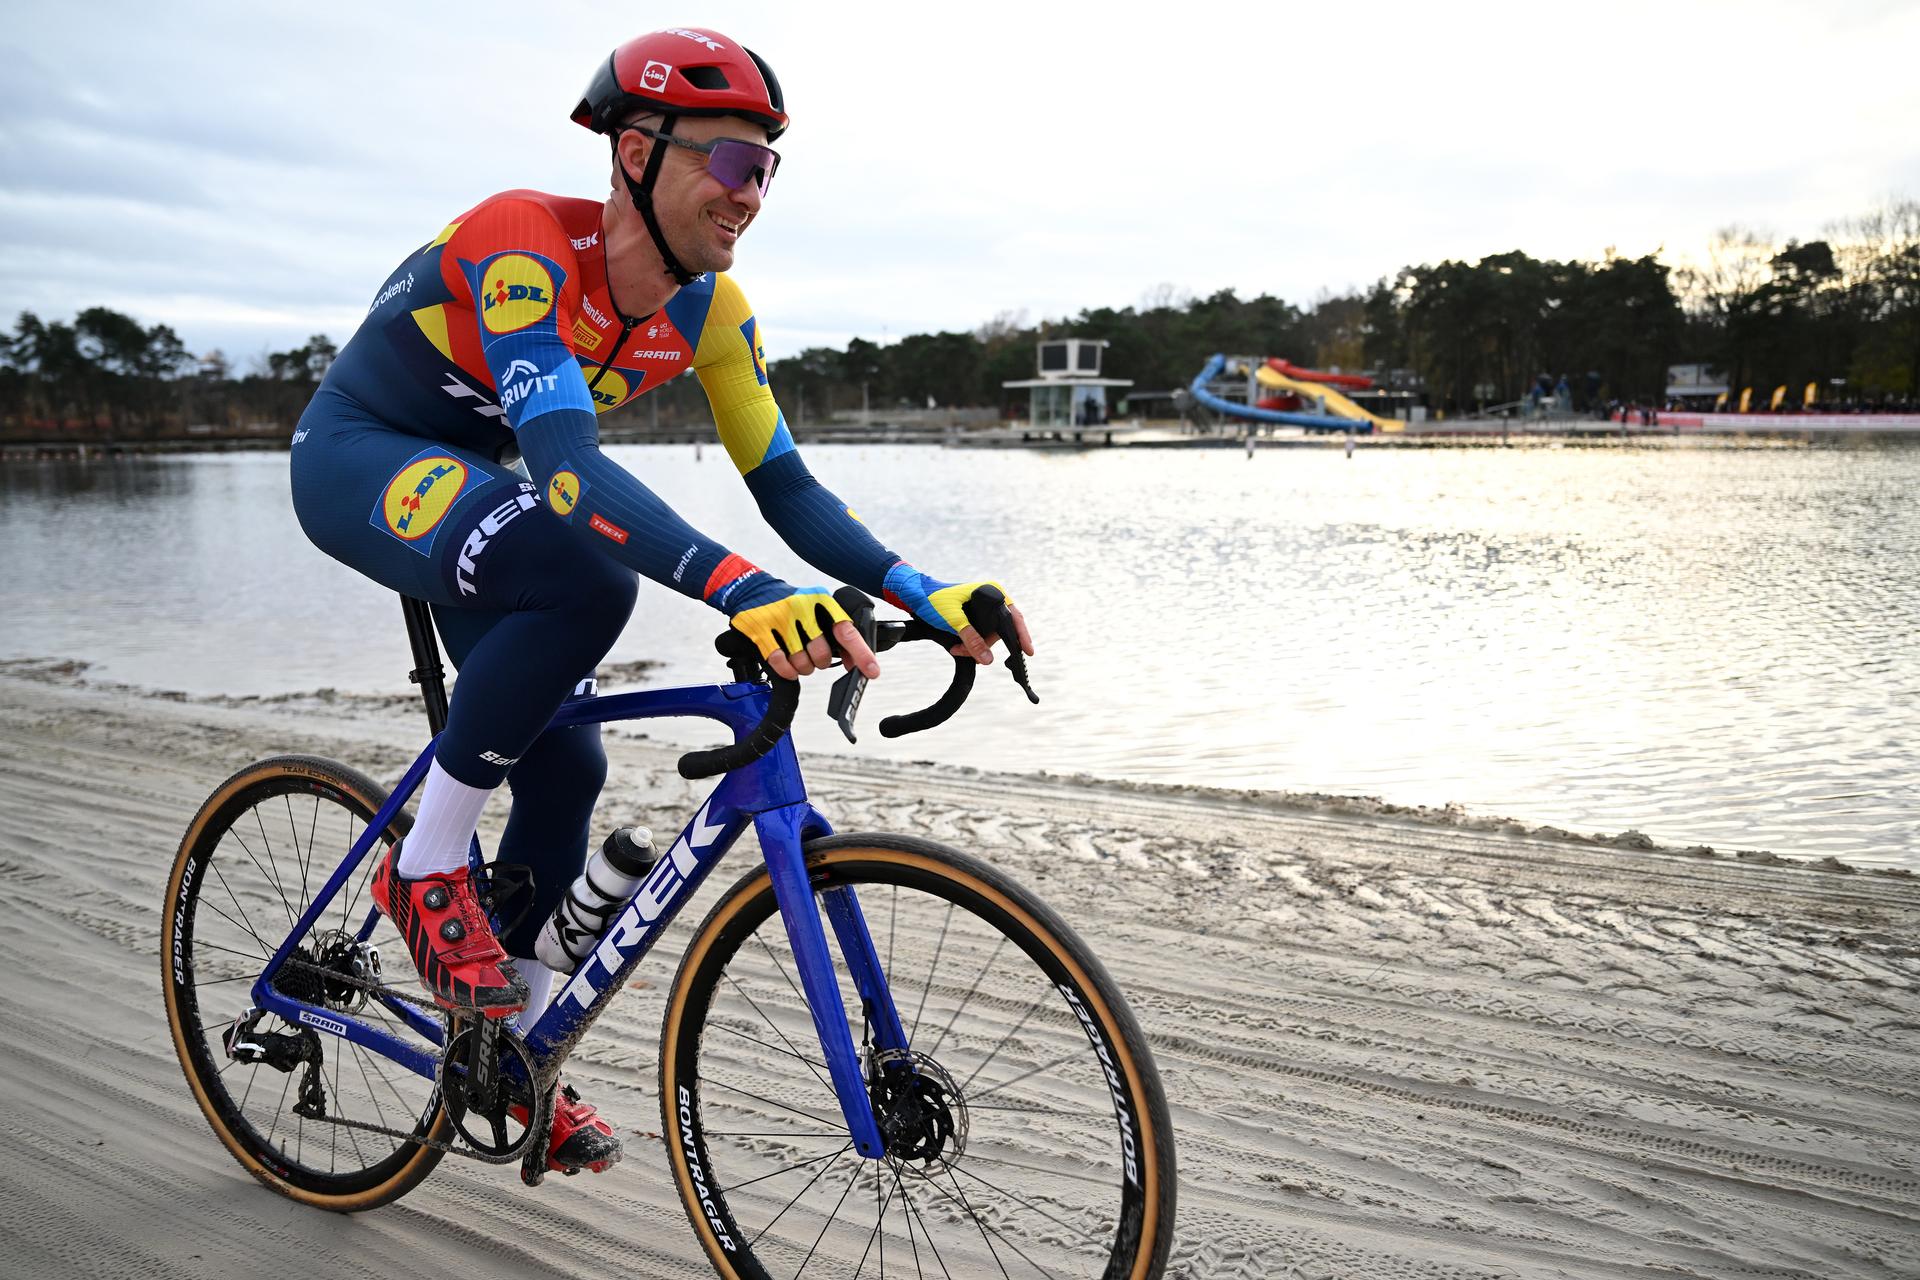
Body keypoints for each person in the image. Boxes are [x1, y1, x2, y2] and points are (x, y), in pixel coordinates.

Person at [288, 27, 1031, 1177]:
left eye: (766, 168)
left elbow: (787, 487)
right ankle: (426, 862)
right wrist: (745, 589)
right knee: (585, 578)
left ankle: (505, 1054)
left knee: (568, 767)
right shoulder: (523, 243)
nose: (750, 193)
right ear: (637, 152)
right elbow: (569, 474)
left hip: (480, 483)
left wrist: (922, 590)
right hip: (360, 454)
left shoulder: (713, 314)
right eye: (730, 161)